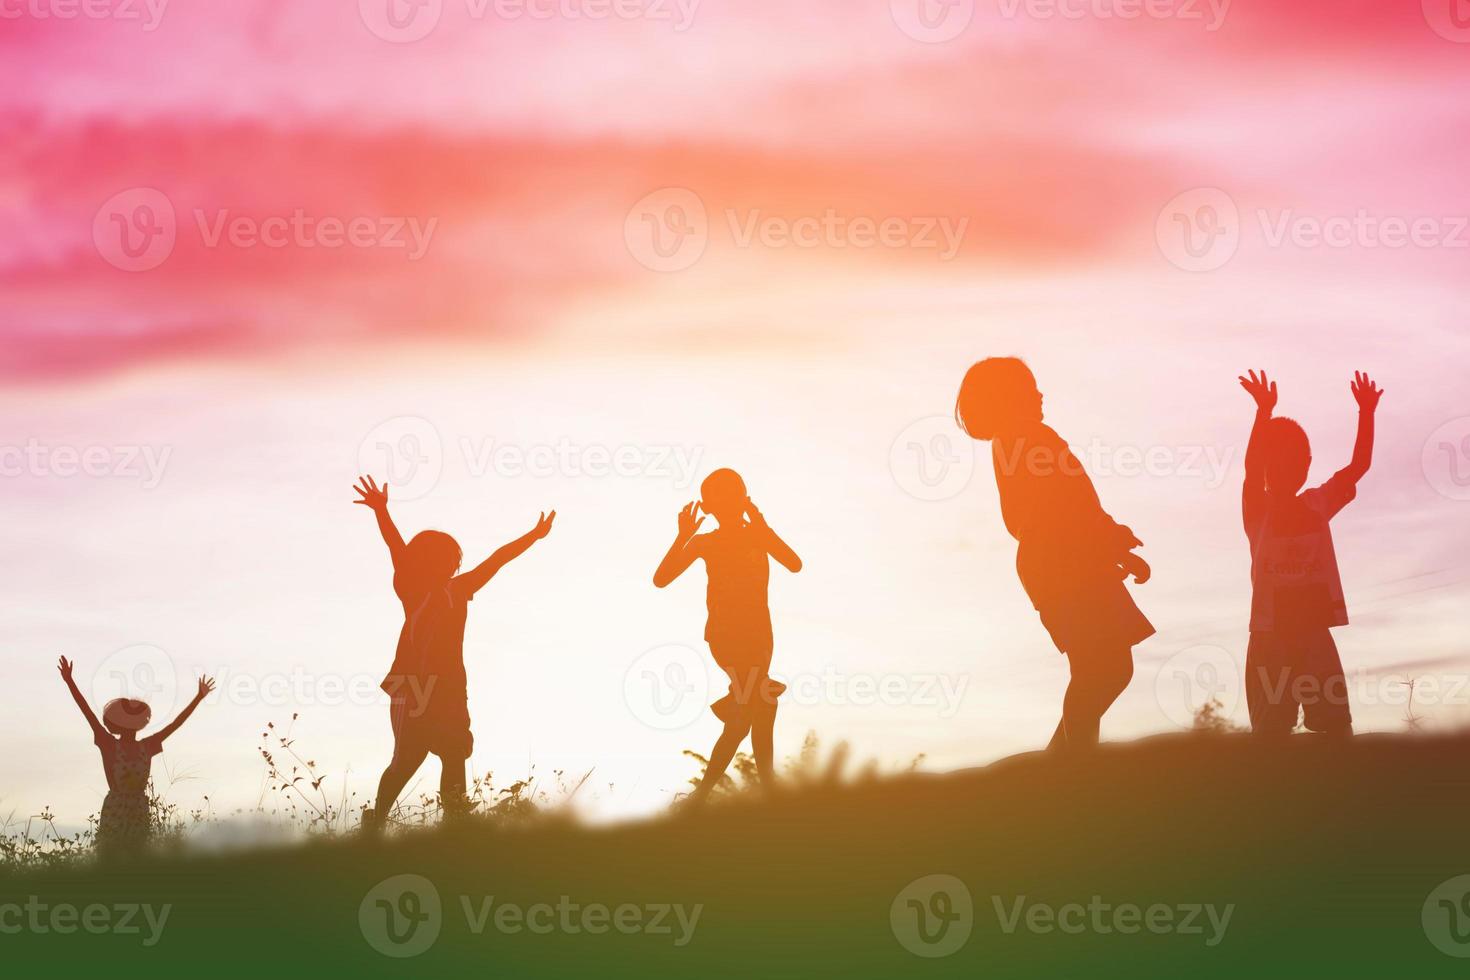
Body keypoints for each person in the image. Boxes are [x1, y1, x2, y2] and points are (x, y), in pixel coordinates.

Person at [955, 357, 1153, 749]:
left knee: (1102, 667)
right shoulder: (1031, 437)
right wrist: (1112, 540)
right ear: (1009, 398)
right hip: (1064, 562)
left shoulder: (1016, 441)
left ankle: (1063, 760)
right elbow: (1068, 501)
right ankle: (1071, 764)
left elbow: (1067, 503)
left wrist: (1110, 542)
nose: (1040, 394)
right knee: (1103, 668)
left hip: (1059, 561)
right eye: (1030, 389)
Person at [353, 475, 554, 831]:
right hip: (412, 684)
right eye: (443, 557)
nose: (451, 563)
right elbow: (395, 547)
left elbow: (497, 560)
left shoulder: (459, 589)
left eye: (452, 558)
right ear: (423, 562)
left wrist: (533, 537)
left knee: (455, 751)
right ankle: (377, 821)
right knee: (406, 760)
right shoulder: (413, 588)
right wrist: (382, 511)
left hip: (448, 685)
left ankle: (456, 819)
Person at [1238, 369, 1382, 736]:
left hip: (1314, 633)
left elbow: (1359, 466)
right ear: (1270, 469)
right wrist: (1263, 414)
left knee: (1335, 729)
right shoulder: (1258, 510)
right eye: (1282, 462)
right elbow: (1251, 470)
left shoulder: (1318, 504)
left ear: (1307, 465)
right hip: (1270, 638)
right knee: (1270, 736)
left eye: (1300, 461)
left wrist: (1367, 413)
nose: (1292, 468)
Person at [653, 468, 802, 803]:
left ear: (744, 500)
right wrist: (683, 536)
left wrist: (762, 527)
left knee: (751, 713)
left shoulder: (758, 535)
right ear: (708, 508)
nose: (730, 506)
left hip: (761, 636)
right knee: (759, 703)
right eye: (721, 501)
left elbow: (794, 564)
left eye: (735, 497)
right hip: (728, 637)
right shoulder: (706, 542)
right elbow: (661, 579)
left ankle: (705, 798)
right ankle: (765, 791)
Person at [57, 655, 214, 860]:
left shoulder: (147, 746)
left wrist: (198, 697)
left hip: (139, 809)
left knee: (137, 858)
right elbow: (87, 711)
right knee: (111, 858)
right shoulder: (109, 744)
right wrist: (69, 681)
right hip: (115, 808)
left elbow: (176, 724)